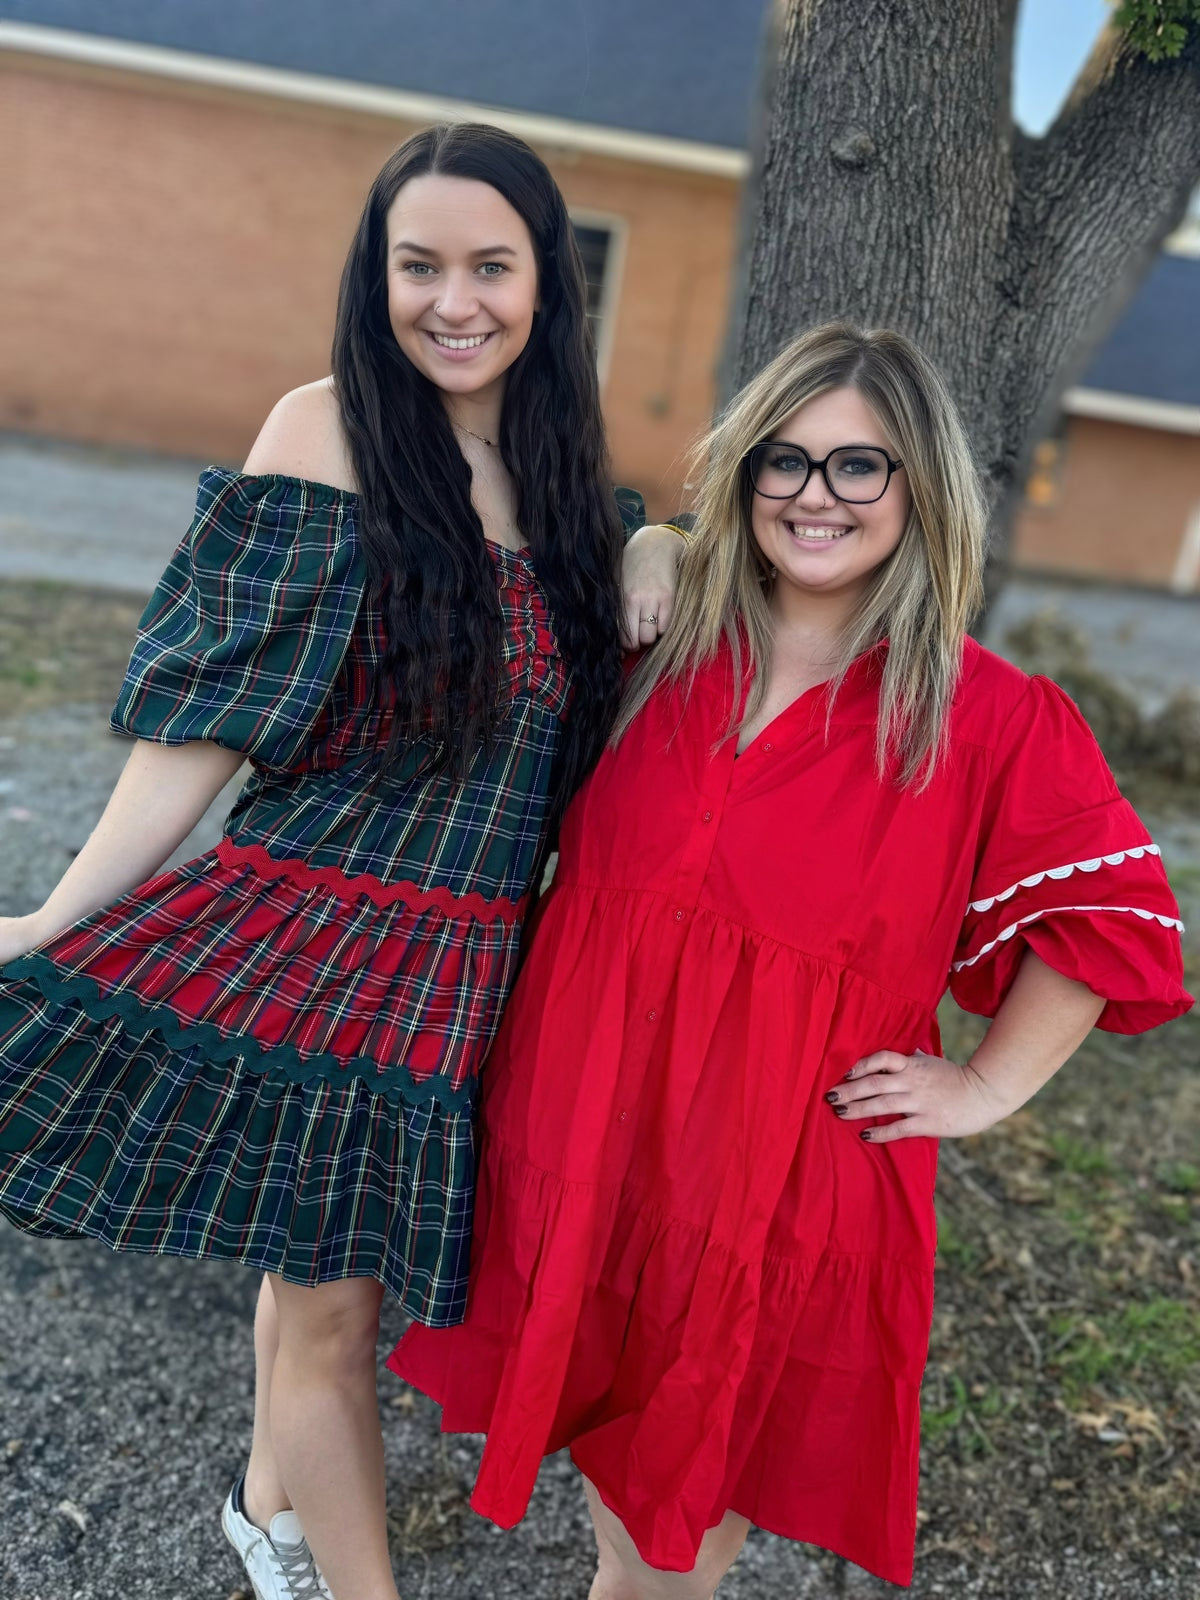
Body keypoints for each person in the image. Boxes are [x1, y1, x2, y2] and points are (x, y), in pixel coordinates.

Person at [389, 322, 1193, 1598]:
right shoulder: (650, 645)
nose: (816, 496)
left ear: (920, 488)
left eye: (860, 466)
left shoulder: (982, 713)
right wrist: (656, 541)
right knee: (608, 1477)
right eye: (786, 460)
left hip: (772, 1174)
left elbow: (1112, 926)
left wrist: (985, 1087)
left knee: (682, 1522)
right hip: (587, 1125)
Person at [0, 123, 684, 1600]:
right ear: (374, 276)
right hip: (324, 943)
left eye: (491, 267)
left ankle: (266, 1504)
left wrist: (662, 544)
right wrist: (61, 906)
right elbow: (211, 716)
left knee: (324, 1278)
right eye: (416, 264)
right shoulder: (326, 429)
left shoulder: (572, 481)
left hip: (480, 965)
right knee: (330, 1319)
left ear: (547, 288)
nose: (454, 300)